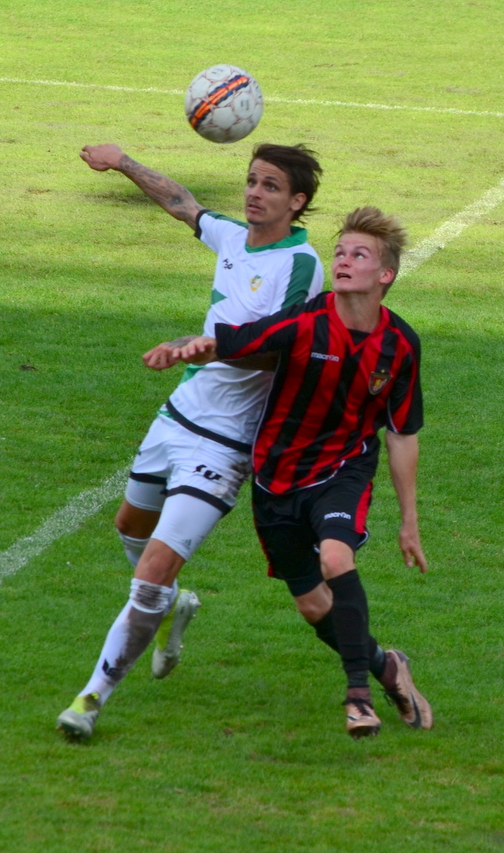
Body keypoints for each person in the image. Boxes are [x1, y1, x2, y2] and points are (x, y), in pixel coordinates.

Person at [57, 142, 325, 741]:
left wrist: (206, 343)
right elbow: (183, 204)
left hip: (224, 442)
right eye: (253, 181)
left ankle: (91, 698)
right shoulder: (232, 238)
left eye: (272, 186)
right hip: (176, 415)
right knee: (129, 527)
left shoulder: (302, 265)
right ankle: (174, 606)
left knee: (148, 574)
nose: (256, 192)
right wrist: (123, 162)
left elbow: (277, 343)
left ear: (297, 201)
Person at [150, 206, 432, 739]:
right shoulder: (306, 320)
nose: (343, 261)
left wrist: (409, 519)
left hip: (342, 470)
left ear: (385, 274)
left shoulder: (400, 345)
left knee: (334, 555)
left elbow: (402, 432)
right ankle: (386, 665)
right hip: (276, 476)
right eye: (341, 252)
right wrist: (188, 346)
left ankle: (358, 698)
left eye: (359, 255)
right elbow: (235, 341)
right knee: (311, 604)